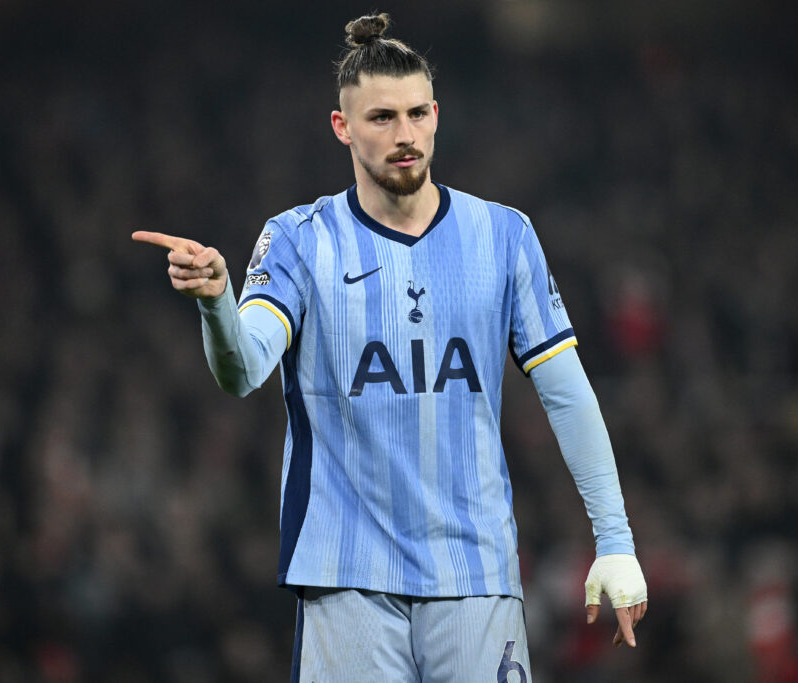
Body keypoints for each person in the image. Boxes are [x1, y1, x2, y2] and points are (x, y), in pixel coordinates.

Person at [133, 13, 647, 681]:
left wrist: (614, 538)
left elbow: (568, 393)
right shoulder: (297, 239)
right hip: (347, 577)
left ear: (435, 114)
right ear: (342, 127)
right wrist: (216, 303)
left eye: (414, 114)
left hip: (476, 572)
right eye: (381, 118)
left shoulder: (504, 236)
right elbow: (243, 368)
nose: (403, 135)